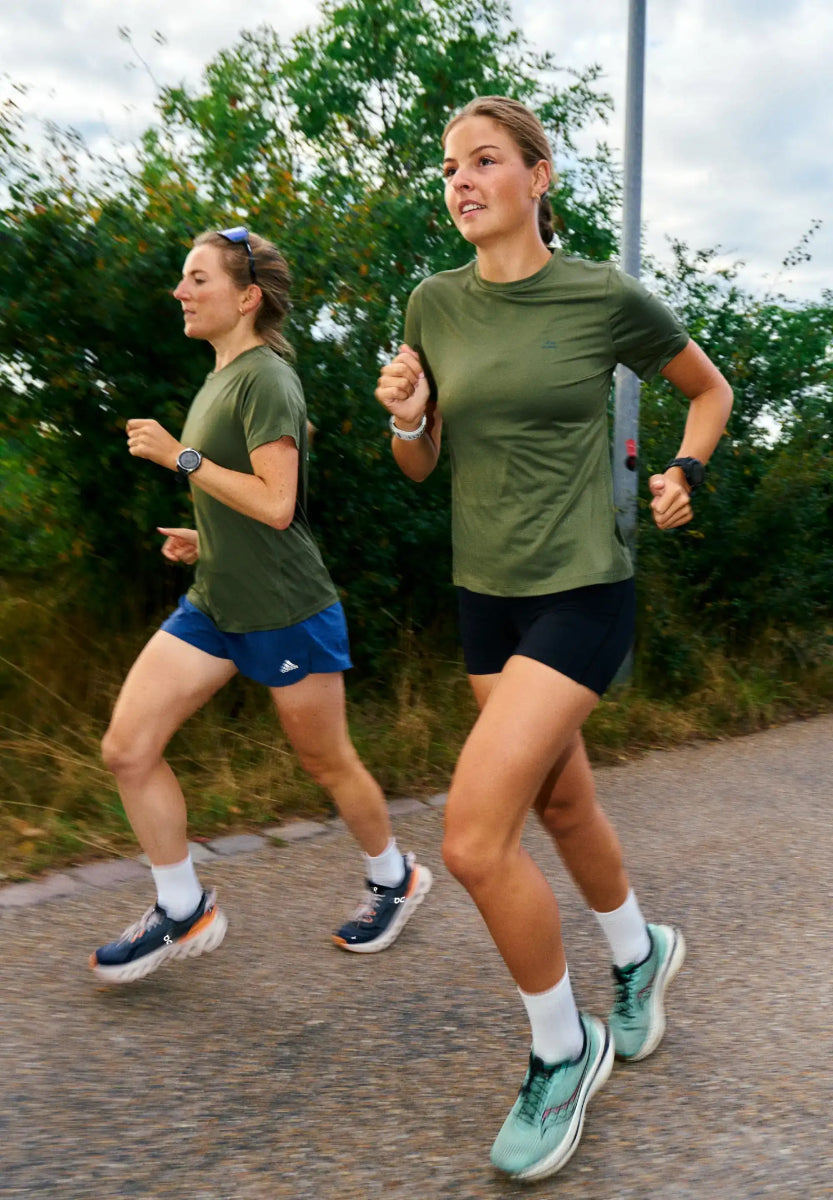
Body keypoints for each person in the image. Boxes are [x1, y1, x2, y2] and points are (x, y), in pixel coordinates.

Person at [375, 96, 733, 1181]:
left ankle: (557, 1049)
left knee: (473, 840)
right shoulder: (430, 304)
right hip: (484, 595)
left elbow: (705, 390)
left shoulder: (599, 296)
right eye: (447, 167)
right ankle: (639, 954)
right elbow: (420, 465)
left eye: (484, 160)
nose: (460, 180)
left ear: (539, 176)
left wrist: (685, 470)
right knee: (561, 799)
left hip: (581, 589)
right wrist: (403, 415)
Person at [90, 227, 431, 985]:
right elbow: (244, 500)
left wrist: (177, 454)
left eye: (196, 279)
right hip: (215, 601)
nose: (180, 291)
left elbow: (278, 507)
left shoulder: (266, 379)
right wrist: (205, 540)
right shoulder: (219, 376)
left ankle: (394, 878)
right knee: (127, 749)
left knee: (324, 760)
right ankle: (183, 909)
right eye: (183, 279)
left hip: (285, 609)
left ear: (246, 297)